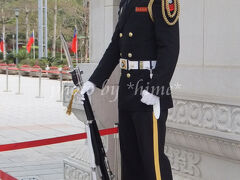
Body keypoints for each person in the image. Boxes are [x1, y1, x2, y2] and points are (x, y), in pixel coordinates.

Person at [80, 0, 180, 179]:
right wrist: (95, 80)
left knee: (152, 162)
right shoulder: (126, 2)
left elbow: (170, 48)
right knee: (130, 160)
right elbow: (115, 47)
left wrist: (156, 88)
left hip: (149, 92)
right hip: (127, 92)